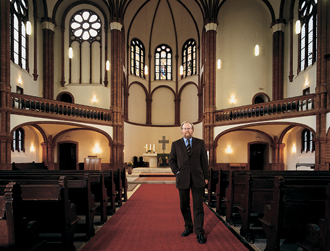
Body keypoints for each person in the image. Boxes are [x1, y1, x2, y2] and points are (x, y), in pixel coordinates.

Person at [169, 121, 209, 244]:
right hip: (183, 179)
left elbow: (204, 161)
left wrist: (206, 177)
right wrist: (177, 172)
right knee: (184, 205)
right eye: (185, 128)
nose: (187, 130)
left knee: (198, 206)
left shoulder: (200, 143)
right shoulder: (175, 144)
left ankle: (199, 232)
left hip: (198, 178)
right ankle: (188, 227)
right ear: (181, 130)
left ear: (193, 130)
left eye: (189, 128)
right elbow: (172, 160)